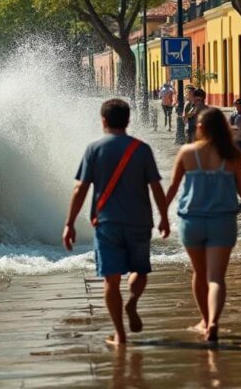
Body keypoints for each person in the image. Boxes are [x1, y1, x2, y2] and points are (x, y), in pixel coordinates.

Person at [63, 98, 170, 346]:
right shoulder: (141, 149)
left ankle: (120, 334)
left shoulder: (94, 149)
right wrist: (164, 217)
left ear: (103, 121)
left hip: (107, 223)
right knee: (140, 270)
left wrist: (69, 223)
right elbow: (156, 187)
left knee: (111, 279)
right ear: (128, 120)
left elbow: (80, 189)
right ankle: (132, 302)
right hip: (139, 222)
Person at [165, 108, 241, 345]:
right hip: (222, 222)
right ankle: (214, 321)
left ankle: (204, 321)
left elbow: (172, 188)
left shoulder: (187, 152)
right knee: (216, 278)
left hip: (192, 221)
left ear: (200, 128)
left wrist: (162, 217)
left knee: (199, 273)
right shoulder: (233, 155)